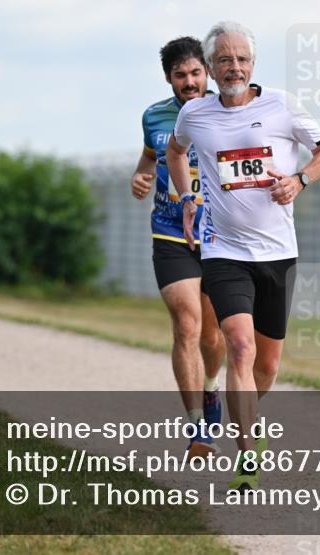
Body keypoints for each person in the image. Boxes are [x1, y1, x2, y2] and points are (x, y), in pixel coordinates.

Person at [168, 21, 320, 492]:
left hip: (279, 253)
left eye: (241, 59)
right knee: (238, 347)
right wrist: (187, 198)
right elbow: (175, 152)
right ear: (212, 67)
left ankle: (248, 414)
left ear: (253, 64)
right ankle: (246, 455)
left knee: (265, 367)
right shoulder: (195, 115)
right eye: (224, 60)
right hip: (224, 252)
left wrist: (300, 179)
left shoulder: (281, 104)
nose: (234, 67)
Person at [132, 37, 226, 457]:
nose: (189, 82)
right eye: (180, 75)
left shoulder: (226, 111)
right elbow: (152, 155)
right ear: (168, 77)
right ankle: (198, 428)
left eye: (195, 73)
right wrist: (141, 175)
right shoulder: (154, 115)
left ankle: (211, 388)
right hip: (170, 231)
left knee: (212, 334)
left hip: (219, 235)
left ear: (206, 71)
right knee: (186, 325)